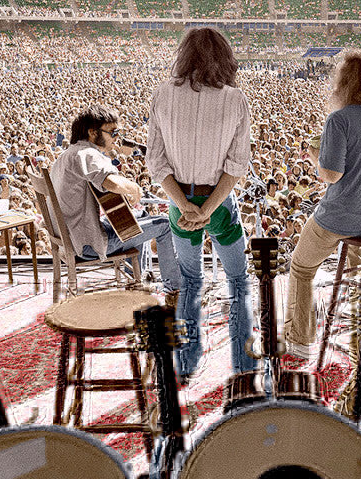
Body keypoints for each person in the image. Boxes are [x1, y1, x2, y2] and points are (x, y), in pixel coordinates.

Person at [146, 28, 255, 383]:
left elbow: (157, 164)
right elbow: (236, 166)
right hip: (220, 203)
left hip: (179, 202)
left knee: (191, 281)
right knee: (238, 281)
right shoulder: (235, 99)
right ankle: (244, 367)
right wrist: (208, 209)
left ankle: (187, 365)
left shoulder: (162, 94)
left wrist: (186, 206)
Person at [283, 52, 361, 358]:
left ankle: (300, 339)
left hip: (344, 216)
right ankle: (355, 309)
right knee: (353, 258)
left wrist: (315, 159)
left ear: (343, 84)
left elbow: (332, 174)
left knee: (300, 267)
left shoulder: (339, 120)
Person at [49, 105, 180, 296]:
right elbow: (110, 182)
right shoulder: (86, 153)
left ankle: (137, 279)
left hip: (70, 238)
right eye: (112, 132)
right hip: (87, 244)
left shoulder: (66, 155)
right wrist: (133, 188)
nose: (116, 138)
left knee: (140, 215)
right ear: (92, 132)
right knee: (164, 224)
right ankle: (174, 287)